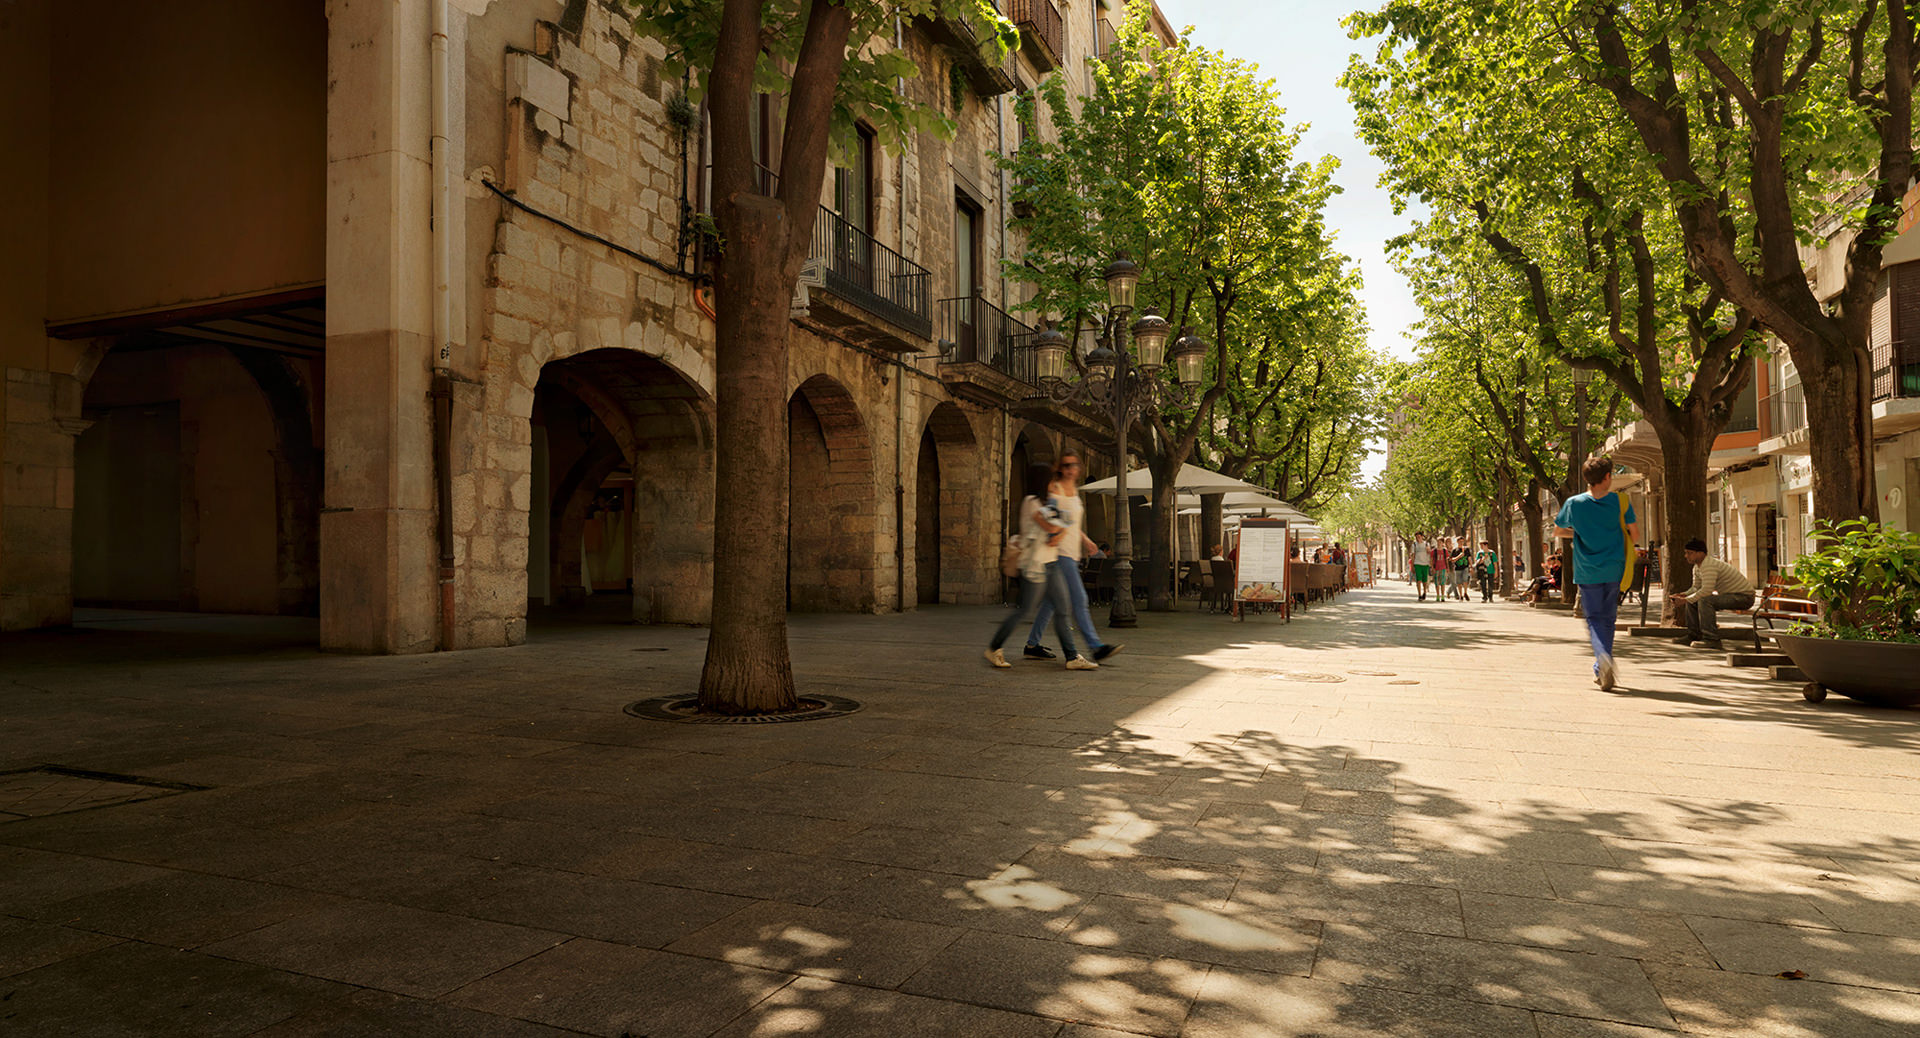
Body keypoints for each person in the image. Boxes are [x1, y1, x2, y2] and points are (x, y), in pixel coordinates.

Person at [988, 464, 1095, 670]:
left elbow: (1059, 531)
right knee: (1024, 610)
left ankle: (1072, 657)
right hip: (1035, 565)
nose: (1054, 484)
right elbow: (1054, 530)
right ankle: (994, 648)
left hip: (1051, 563)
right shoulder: (1032, 503)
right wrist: (1061, 525)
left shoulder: (1046, 505)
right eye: (1051, 480)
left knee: (1063, 608)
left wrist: (1060, 526)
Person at [1553, 455, 1641, 691]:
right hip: (1614, 568)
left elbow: (1558, 531)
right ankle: (1602, 662)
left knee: (1593, 619)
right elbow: (1635, 535)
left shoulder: (1574, 503)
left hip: (1586, 570)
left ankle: (1602, 659)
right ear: (1607, 477)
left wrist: (1579, 534)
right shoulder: (1620, 501)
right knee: (1608, 618)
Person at [1028, 452, 1123, 662]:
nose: (1071, 469)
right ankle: (1095, 646)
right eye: (1067, 465)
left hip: (1072, 552)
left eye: (1075, 465)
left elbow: (1070, 522)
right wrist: (1055, 535)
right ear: (1060, 467)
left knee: (1051, 603)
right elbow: (1052, 519)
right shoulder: (1055, 489)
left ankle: (1032, 643)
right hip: (1059, 553)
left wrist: (1086, 540)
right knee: (1079, 598)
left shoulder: (1074, 492)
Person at [1671, 537, 1755, 649]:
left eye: (1689, 553)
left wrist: (1686, 600)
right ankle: (1694, 635)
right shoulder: (1697, 567)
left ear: (1700, 553)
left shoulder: (1709, 565)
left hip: (1744, 597)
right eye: (1686, 553)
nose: (1686, 556)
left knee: (1705, 600)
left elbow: (1706, 591)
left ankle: (1711, 639)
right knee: (1694, 600)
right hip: (1730, 595)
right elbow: (1696, 588)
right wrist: (1684, 595)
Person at [1411, 532, 1433, 600]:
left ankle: (1424, 592)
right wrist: (1412, 566)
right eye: (1416, 537)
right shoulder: (1414, 545)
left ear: (1422, 537)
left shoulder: (1426, 544)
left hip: (1425, 564)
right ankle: (1419, 595)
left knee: (1425, 581)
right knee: (1418, 580)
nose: (1418, 538)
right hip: (1417, 563)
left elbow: (1430, 553)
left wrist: (1428, 550)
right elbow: (1413, 555)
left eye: (1419, 537)